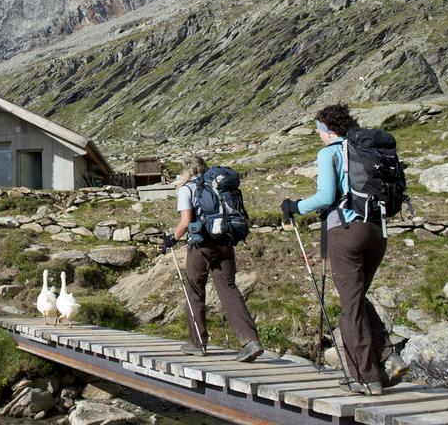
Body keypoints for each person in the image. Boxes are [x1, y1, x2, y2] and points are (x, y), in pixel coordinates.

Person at [281, 103, 407, 396]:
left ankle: (367, 378)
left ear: (327, 129)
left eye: (319, 130)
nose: (318, 135)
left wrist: (294, 206)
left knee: (350, 309)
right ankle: (388, 357)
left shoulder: (330, 153)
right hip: (378, 230)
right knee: (357, 298)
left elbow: (326, 196)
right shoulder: (365, 150)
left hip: (346, 232)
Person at [165, 155, 263, 362]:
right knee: (229, 289)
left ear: (187, 170)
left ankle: (198, 343)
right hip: (226, 242)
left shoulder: (187, 188)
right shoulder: (220, 187)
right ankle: (250, 341)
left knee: (194, 291)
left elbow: (185, 222)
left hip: (202, 245)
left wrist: (171, 240)